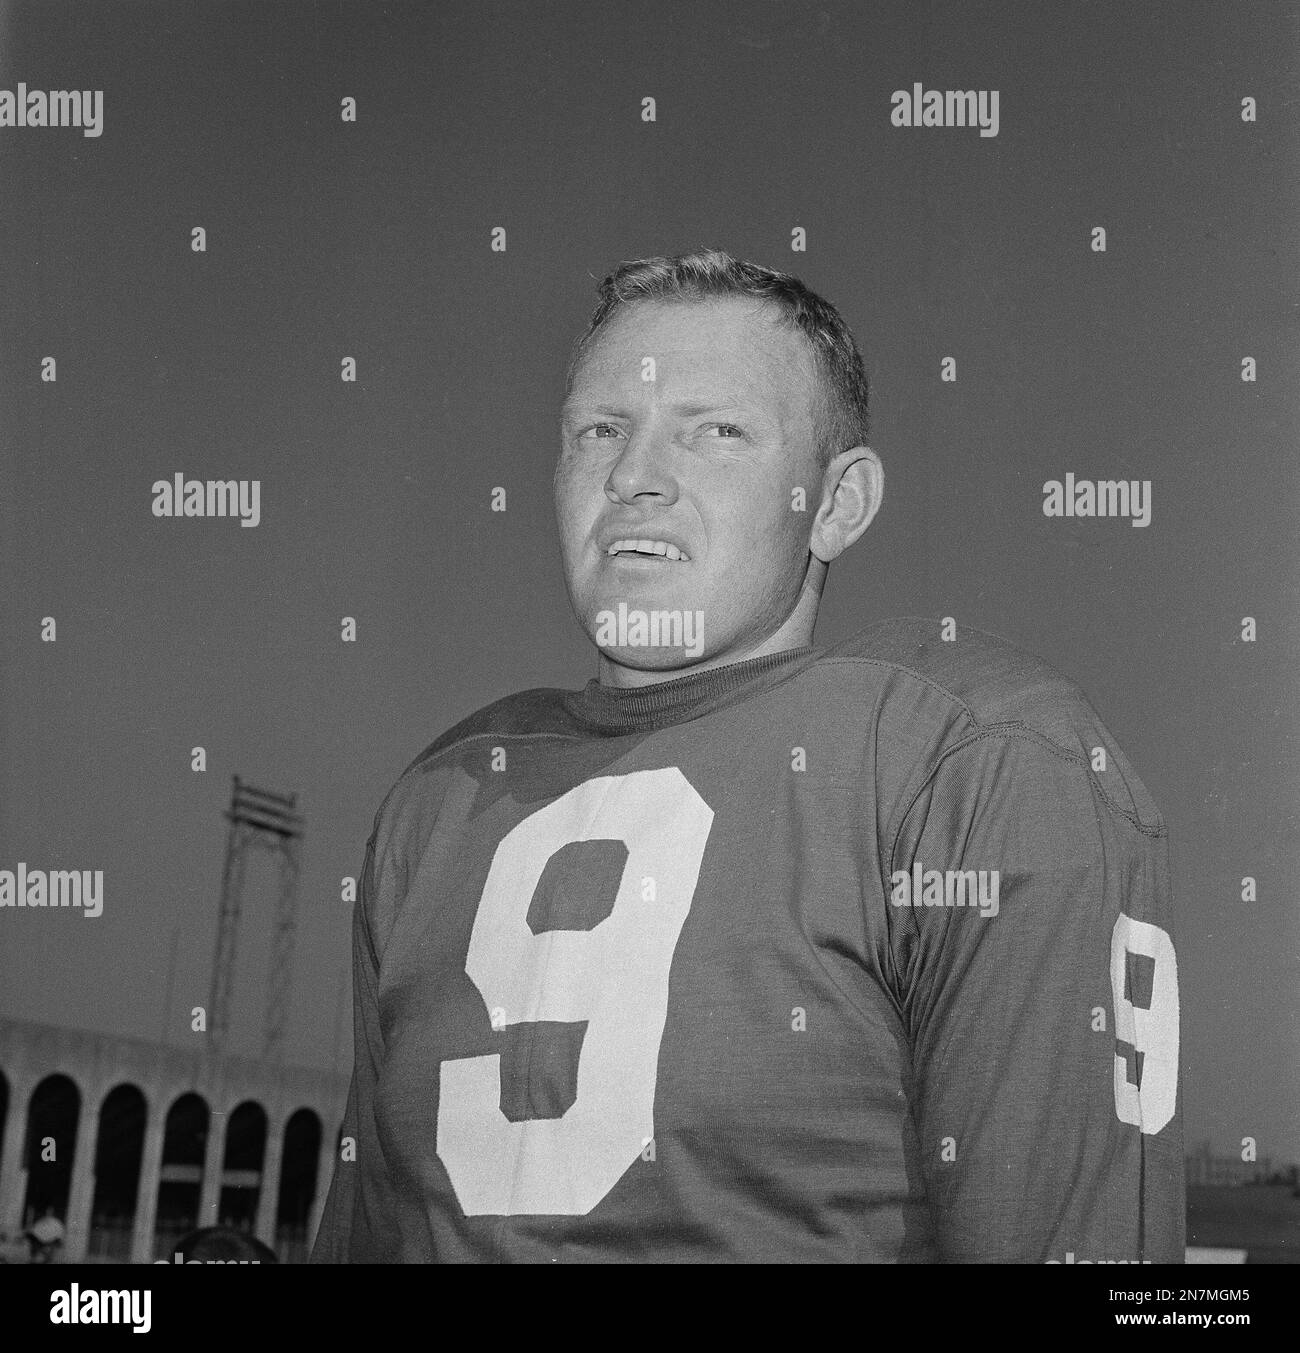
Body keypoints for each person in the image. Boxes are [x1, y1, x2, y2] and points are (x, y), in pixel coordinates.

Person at [311, 249, 1184, 1263]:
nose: (633, 478)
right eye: (601, 430)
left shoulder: (967, 762)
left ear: (838, 502)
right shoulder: (447, 792)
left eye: (715, 432)